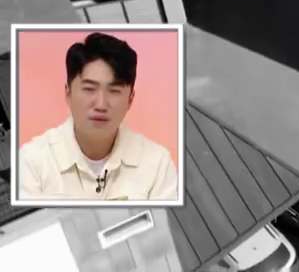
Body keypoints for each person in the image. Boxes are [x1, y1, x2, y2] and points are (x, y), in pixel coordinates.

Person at [19, 33, 179, 201]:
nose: (101, 104)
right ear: (68, 93)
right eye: (89, 89)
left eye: (114, 91)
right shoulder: (31, 161)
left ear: (130, 99)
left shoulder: (158, 163)